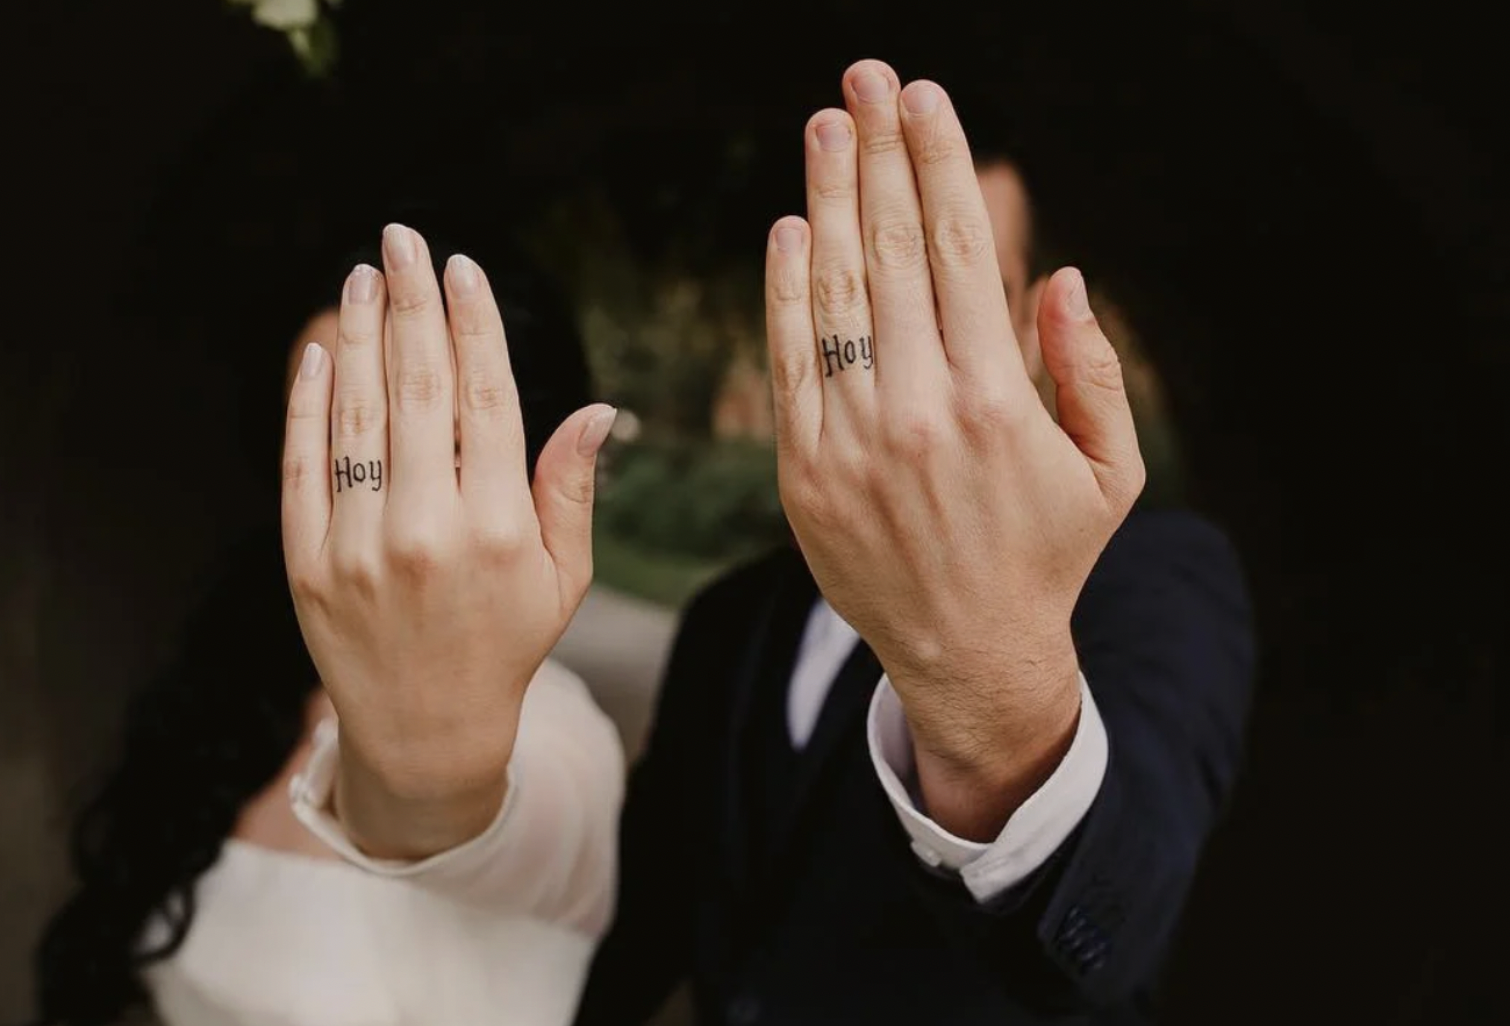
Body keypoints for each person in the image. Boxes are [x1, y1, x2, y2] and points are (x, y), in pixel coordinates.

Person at [286, 60, 1255, 1025]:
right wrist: (425, 789)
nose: (905, 336)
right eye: (866, 283)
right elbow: (627, 940)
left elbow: (1113, 933)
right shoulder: (730, 623)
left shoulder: (1160, 574)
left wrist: (988, 682)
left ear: (1029, 313)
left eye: (952, 289)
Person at [30, 238, 625, 1026]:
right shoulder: (246, 677)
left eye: (413, 437)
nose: (367, 486)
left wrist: (422, 765)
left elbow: (443, 811)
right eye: (330, 434)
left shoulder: (566, 740)